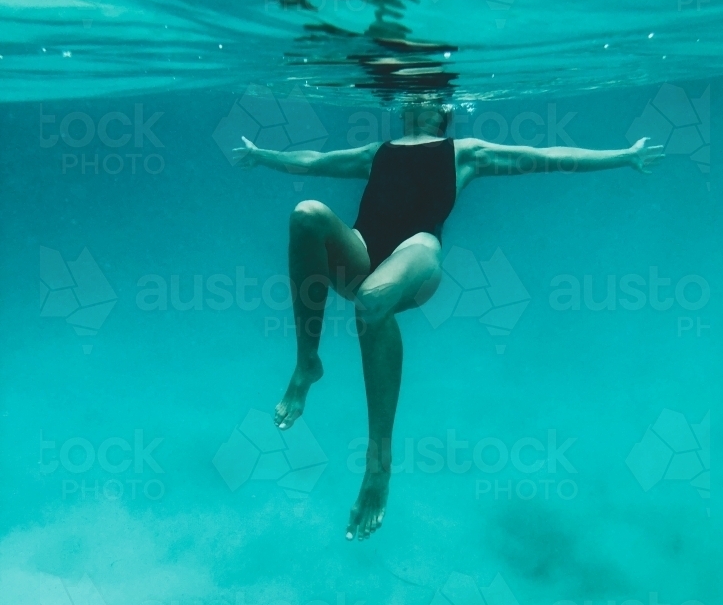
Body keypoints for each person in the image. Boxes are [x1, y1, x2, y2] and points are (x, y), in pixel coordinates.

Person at [233, 104, 664, 541]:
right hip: (359, 251)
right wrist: (262, 154)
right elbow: (315, 162)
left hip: (416, 256)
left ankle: (378, 463)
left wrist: (625, 154)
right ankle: (307, 363)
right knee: (306, 213)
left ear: (447, 108)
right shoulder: (376, 151)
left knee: (372, 298)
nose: (417, 100)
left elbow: (549, 156)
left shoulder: (466, 152)